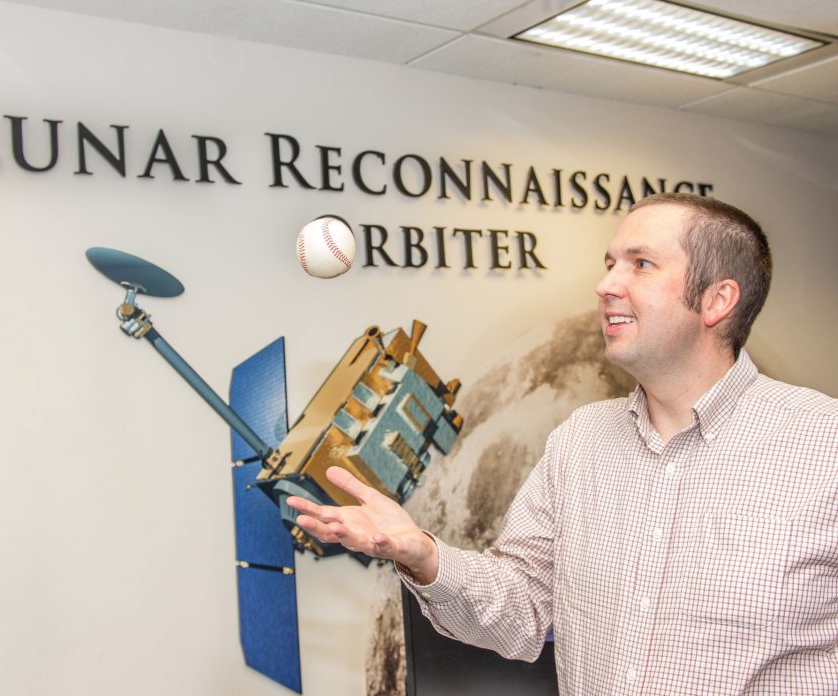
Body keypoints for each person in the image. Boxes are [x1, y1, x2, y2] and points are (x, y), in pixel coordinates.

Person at [287, 193, 838, 695]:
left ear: (717, 300)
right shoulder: (581, 441)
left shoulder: (823, 444)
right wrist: (423, 554)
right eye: (609, 264)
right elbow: (522, 608)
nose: (605, 285)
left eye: (640, 264)